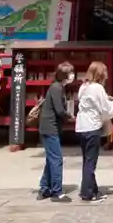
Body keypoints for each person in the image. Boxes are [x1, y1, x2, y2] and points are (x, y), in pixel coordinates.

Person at [75, 61, 113, 203]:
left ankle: (92, 190)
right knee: (91, 162)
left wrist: (107, 99)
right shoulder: (98, 88)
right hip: (91, 126)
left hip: (81, 126)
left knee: (87, 161)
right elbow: (106, 110)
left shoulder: (84, 87)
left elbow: (93, 101)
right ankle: (87, 194)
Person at [38, 61, 75, 203]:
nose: (73, 75)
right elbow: (60, 110)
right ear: (64, 75)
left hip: (49, 127)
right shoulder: (57, 88)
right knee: (57, 160)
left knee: (51, 159)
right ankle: (57, 192)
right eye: (71, 73)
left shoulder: (57, 87)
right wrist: (70, 116)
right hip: (50, 127)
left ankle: (44, 188)